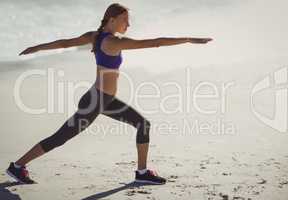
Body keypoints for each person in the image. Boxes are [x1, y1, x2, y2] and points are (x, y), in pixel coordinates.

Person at [6, 3, 213, 184]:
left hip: (103, 100)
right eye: (125, 20)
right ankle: (17, 165)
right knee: (60, 138)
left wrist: (36, 47)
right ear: (112, 20)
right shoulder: (112, 42)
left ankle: (142, 172)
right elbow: (154, 42)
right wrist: (188, 39)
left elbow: (64, 43)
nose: (128, 25)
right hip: (96, 102)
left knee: (142, 124)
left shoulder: (96, 36)